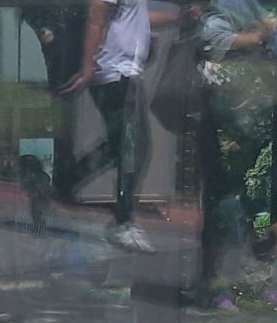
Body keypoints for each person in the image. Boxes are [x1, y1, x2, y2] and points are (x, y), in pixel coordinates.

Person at [58, 0, 195, 253]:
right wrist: (88, 69)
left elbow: (138, 17)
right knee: (135, 147)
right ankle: (123, 222)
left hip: (122, 74)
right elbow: (96, 15)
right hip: (115, 73)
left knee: (122, 145)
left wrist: (176, 20)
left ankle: (65, 181)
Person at [198, 0, 277, 305]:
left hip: (268, 115)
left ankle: (261, 281)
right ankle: (219, 285)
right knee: (228, 202)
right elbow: (211, 40)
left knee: (263, 204)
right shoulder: (229, 6)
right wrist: (257, 36)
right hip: (232, 116)